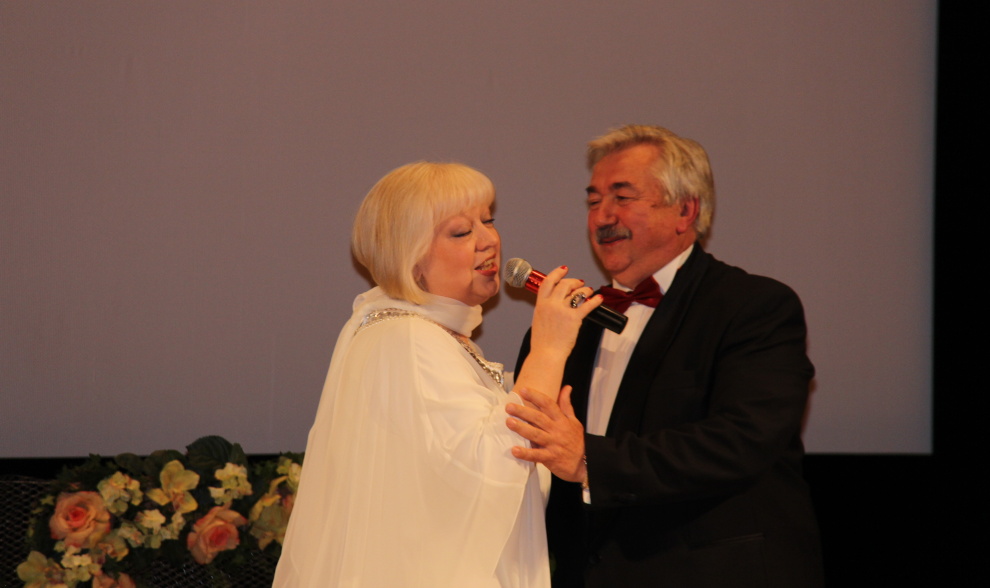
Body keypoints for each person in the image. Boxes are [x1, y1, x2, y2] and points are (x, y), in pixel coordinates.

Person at [508, 125, 824, 587]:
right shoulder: (564, 324)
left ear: (685, 210)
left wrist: (589, 459)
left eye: (622, 197)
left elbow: (742, 440)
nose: (602, 217)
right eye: (593, 201)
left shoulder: (754, 306)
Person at [273, 161, 602, 587]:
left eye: (488, 220)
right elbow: (496, 468)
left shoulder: (428, 337)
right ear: (411, 260)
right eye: (462, 232)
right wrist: (549, 348)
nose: (490, 240)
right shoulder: (408, 339)